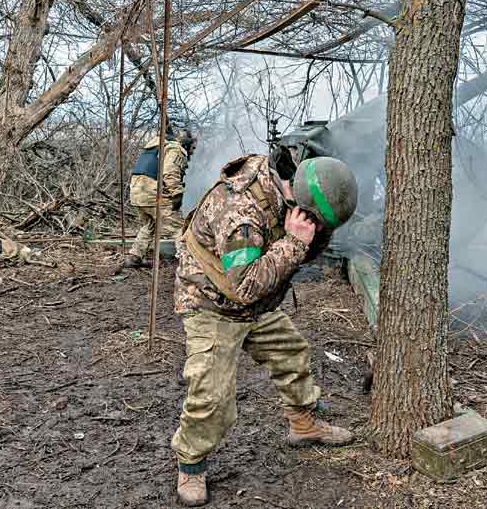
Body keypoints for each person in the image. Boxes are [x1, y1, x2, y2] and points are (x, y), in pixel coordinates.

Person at [170, 146, 359, 506]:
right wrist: (293, 242)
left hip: (254, 299)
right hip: (211, 302)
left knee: (291, 353)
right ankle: (191, 465)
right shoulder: (240, 215)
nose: (316, 231)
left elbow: (279, 268)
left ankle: (303, 424)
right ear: (301, 208)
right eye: (316, 223)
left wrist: (306, 238)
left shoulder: (291, 182)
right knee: (210, 396)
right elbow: (244, 286)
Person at [123, 122, 197, 268]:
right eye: (192, 148)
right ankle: (189, 264)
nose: (193, 152)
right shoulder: (176, 149)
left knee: (149, 225)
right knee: (177, 227)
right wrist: (176, 194)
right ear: (186, 143)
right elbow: (170, 173)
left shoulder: (158, 146)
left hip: (136, 192)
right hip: (152, 193)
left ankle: (134, 257)